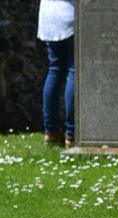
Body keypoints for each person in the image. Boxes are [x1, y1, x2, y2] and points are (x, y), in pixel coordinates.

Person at [37, 0, 75, 147]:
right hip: (70, 13)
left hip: (50, 15)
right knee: (74, 70)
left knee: (55, 70)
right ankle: (71, 134)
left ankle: (51, 132)